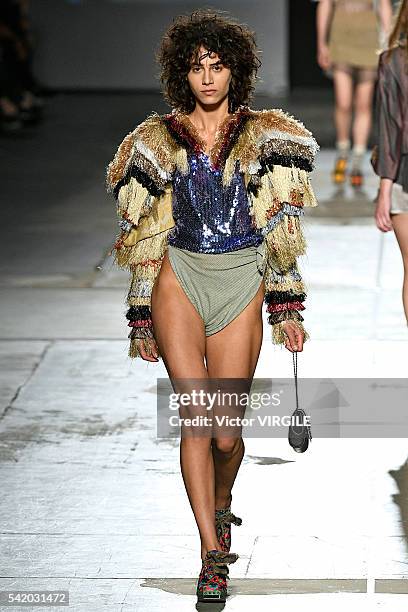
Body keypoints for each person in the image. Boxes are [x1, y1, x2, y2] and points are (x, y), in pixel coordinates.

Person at [105, 9, 318, 604]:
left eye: (217, 66)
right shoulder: (156, 141)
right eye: (196, 67)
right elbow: (142, 234)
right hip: (181, 275)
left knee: (227, 435)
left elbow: (282, 226)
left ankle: (222, 507)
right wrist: (140, 309)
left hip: (243, 278)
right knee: (197, 419)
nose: (206, 78)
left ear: (235, 72)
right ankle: (211, 552)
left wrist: (288, 308)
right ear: (181, 73)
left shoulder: (268, 139)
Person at [315, 0, 393, 187]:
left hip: (369, 40)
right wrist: (321, 44)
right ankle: (342, 152)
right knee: (343, 103)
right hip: (340, 39)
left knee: (364, 104)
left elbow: (384, 6)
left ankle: (357, 160)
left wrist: (389, 43)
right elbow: (325, 5)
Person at [371, 0, 408, 326]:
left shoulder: (394, 61)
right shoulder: (393, 61)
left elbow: (391, 126)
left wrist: (385, 187)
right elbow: (390, 126)